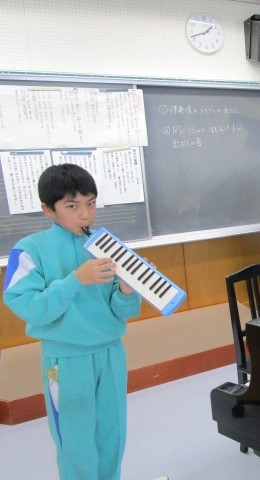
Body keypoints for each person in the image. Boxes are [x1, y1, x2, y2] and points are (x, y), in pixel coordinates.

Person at [3, 164, 142, 480]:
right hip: (65, 361)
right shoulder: (28, 250)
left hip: (111, 353)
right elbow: (32, 308)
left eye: (91, 203)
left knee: (112, 435)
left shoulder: (106, 246)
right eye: (72, 206)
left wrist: (127, 288)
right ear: (48, 210)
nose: (85, 215)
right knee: (75, 441)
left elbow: (124, 311)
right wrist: (75, 280)